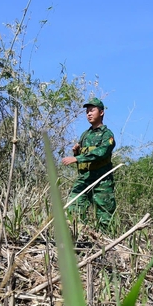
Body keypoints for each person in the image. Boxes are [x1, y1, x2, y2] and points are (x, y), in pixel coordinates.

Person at [61, 97, 116, 231]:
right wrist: (76, 153)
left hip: (102, 181)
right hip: (84, 179)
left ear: (101, 113)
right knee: (73, 207)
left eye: (92, 110)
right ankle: (80, 235)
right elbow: (83, 157)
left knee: (105, 216)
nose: (89, 114)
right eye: (87, 112)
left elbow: (102, 152)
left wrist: (78, 158)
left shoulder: (106, 134)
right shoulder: (85, 135)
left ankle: (106, 244)